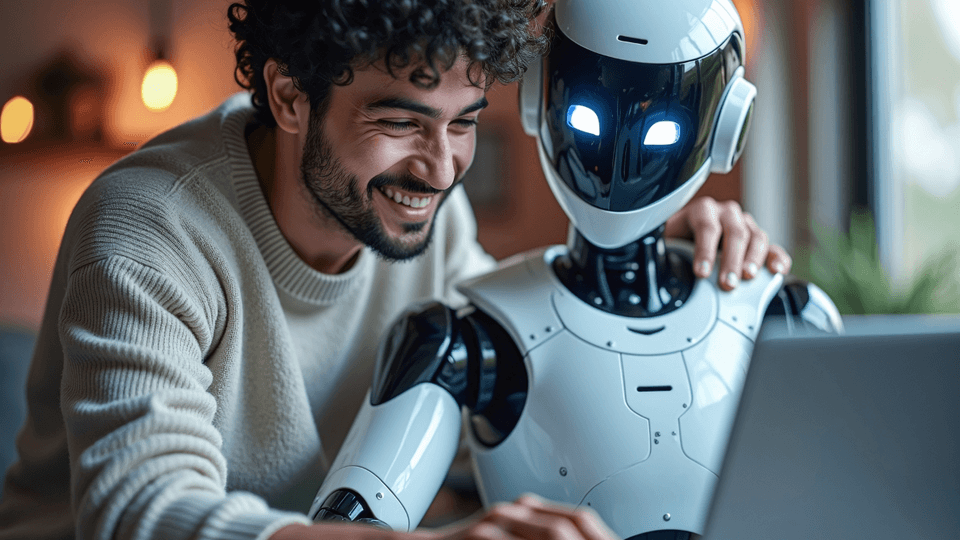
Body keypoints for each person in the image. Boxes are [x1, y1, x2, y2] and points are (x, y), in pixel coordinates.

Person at [0, 1, 791, 539]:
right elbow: (142, 513)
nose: (440, 170)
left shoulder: (430, 224)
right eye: (400, 123)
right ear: (289, 96)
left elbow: (533, 348)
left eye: (462, 124)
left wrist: (660, 235)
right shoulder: (148, 226)